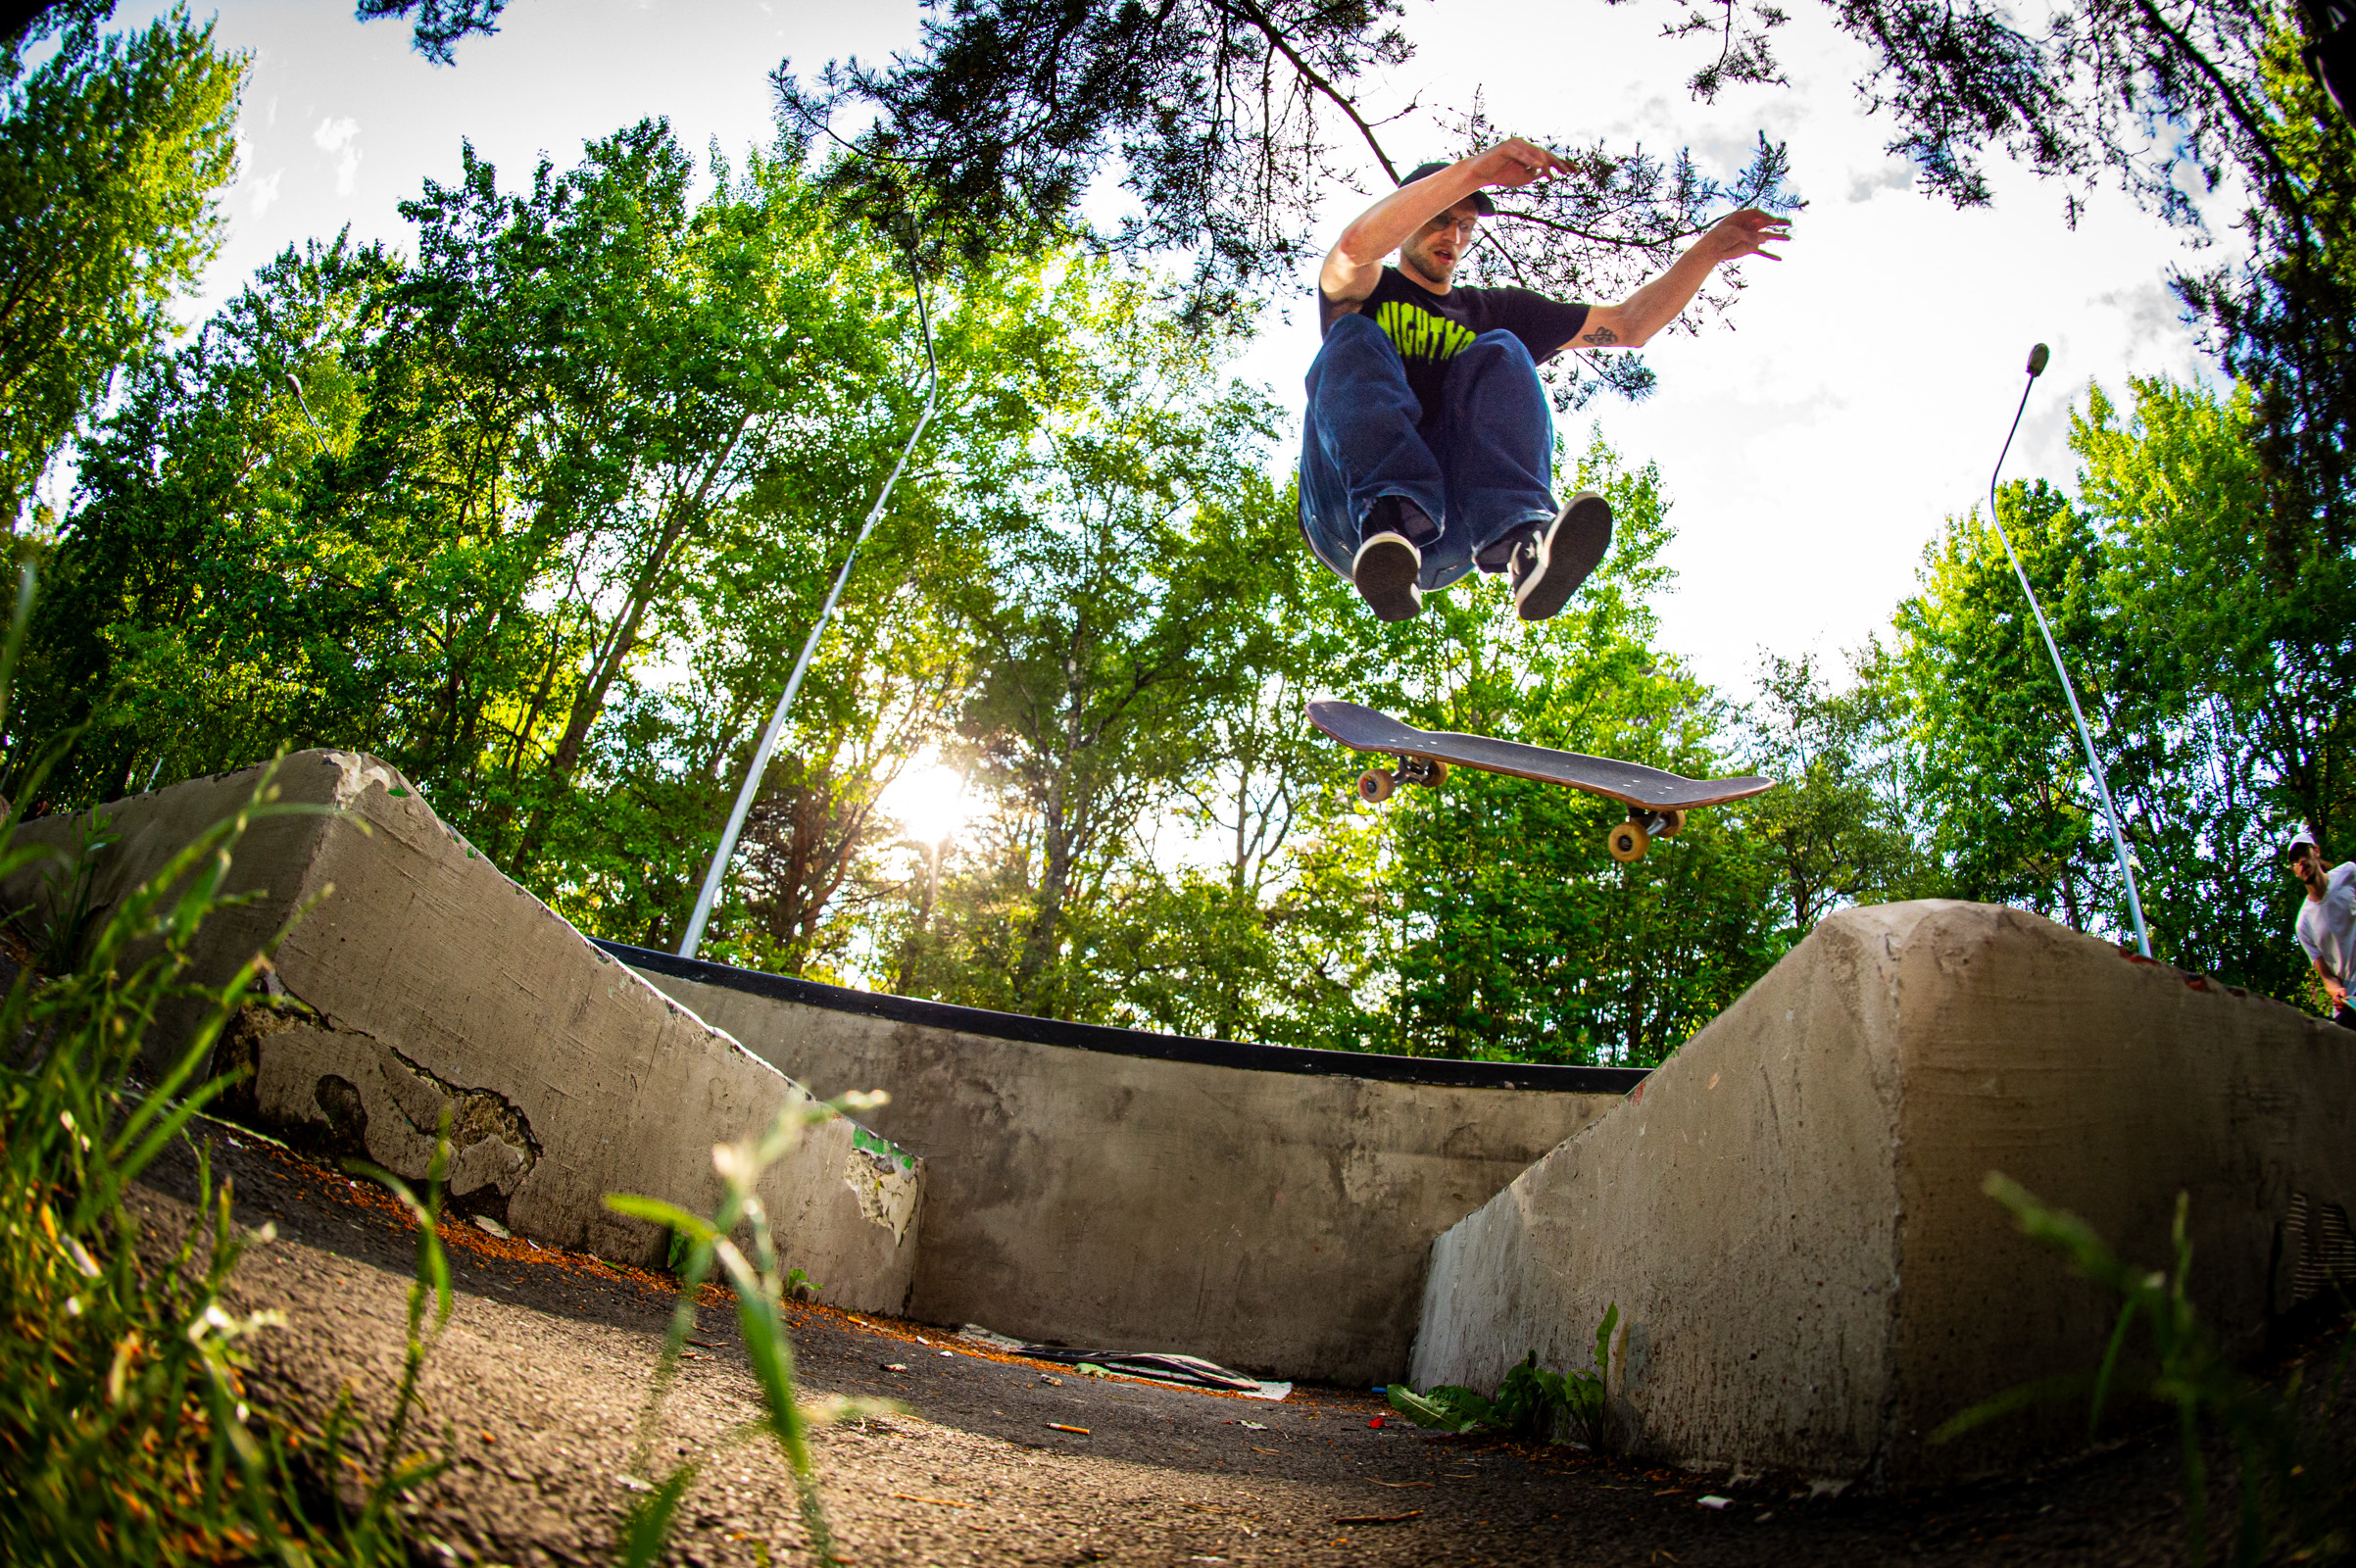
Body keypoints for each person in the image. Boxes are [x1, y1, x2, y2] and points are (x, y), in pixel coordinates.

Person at [1301, 141, 1791, 622]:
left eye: (1465, 226)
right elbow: (1354, 246)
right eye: (1439, 219)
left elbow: (1630, 324)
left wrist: (1709, 251)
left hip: (1452, 532)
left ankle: (1522, 543)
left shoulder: (1496, 310)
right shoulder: (1365, 286)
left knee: (1503, 346)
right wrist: (1477, 172)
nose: (1453, 235)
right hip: (1346, 517)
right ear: (1408, 220)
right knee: (1353, 334)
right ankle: (1388, 516)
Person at [2287, 825, 2356, 1028]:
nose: (2301, 862)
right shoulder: (2303, 923)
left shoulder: (2349, 873)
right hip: (2351, 1002)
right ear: (2294, 871)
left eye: (2303, 853)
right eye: (2295, 860)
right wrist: (2336, 992)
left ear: (2316, 851)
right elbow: (2326, 976)